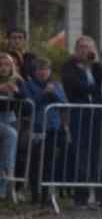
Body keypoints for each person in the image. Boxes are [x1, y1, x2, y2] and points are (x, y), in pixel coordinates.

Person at [60, 35, 102, 207]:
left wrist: (95, 63)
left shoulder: (96, 67)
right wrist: (94, 89)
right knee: (81, 153)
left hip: (97, 115)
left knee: (99, 154)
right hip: (79, 115)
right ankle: (81, 197)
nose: (85, 50)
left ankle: (100, 196)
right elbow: (75, 87)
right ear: (76, 50)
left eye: (88, 47)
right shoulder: (69, 66)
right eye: (81, 47)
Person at [24, 58, 70, 205]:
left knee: (49, 162)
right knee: (35, 162)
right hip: (36, 128)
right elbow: (29, 103)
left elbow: (63, 103)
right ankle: (35, 195)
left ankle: (46, 195)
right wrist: (44, 94)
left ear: (49, 71)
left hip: (52, 128)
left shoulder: (56, 85)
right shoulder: (28, 85)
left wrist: (53, 94)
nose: (43, 72)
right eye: (40, 69)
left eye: (45, 69)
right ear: (35, 71)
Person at [0, 52, 25, 200]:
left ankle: (3, 190)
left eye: (7, 65)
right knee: (11, 134)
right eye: (0, 65)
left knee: (7, 149)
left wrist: (17, 92)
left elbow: (27, 100)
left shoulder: (17, 80)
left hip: (9, 118)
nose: (3, 68)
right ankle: (8, 174)